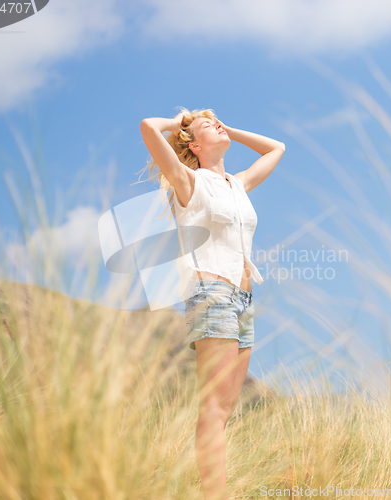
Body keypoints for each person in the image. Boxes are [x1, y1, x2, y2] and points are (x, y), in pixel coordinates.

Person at [139, 108, 285, 500]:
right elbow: (149, 128)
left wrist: (226, 129)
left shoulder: (237, 184)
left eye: (218, 122)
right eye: (209, 126)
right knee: (214, 410)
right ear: (195, 145)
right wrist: (182, 121)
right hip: (212, 294)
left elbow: (277, 148)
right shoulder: (189, 182)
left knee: (226, 411)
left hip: (243, 299)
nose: (217, 125)